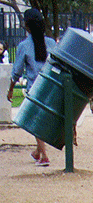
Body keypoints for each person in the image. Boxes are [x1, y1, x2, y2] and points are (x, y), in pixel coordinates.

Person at [7, 8, 56, 166]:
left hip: (34, 88)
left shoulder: (24, 46)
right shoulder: (51, 43)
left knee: (35, 121)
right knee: (41, 120)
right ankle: (37, 151)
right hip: (51, 87)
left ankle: (44, 156)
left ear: (27, 26)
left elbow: (17, 71)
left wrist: (10, 89)